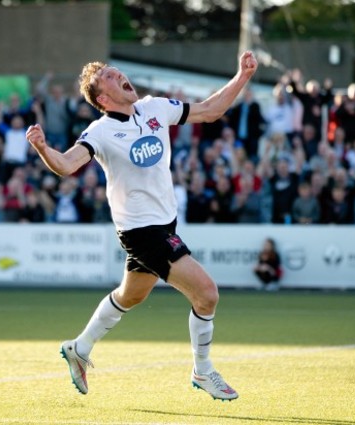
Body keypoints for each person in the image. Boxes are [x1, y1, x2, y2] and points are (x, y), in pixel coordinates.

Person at [26, 51, 259, 401]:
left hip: (166, 223)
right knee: (207, 293)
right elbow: (67, 164)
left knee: (131, 295)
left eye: (113, 69)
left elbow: (210, 111)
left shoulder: (155, 108)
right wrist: (44, 149)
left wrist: (242, 76)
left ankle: (80, 346)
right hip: (140, 231)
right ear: (103, 99)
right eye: (107, 76)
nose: (116, 72)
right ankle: (203, 370)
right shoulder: (100, 132)